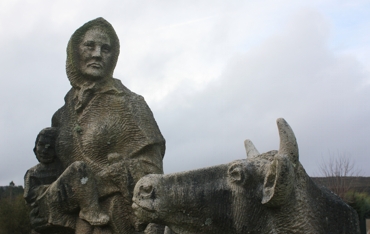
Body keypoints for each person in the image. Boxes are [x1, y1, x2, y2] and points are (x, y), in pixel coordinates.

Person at [26, 18, 166, 234]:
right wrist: (42, 210)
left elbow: (152, 177)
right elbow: (53, 171)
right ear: (74, 51)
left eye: (105, 48)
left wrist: (94, 184)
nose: (97, 54)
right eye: (89, 46)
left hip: (114, 222)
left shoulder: (131, 104)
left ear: (113, 57)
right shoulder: (62, 115)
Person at [24, 127, 110, 230]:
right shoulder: (33, 173)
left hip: (67, 206)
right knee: (78, 167)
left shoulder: (62, 168)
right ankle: (90, 211)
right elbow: (29, 196)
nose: (44, 151)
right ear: (35, 146)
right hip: (48, 204)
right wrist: (56, 188)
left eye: (50, 147)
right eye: (41, 145)